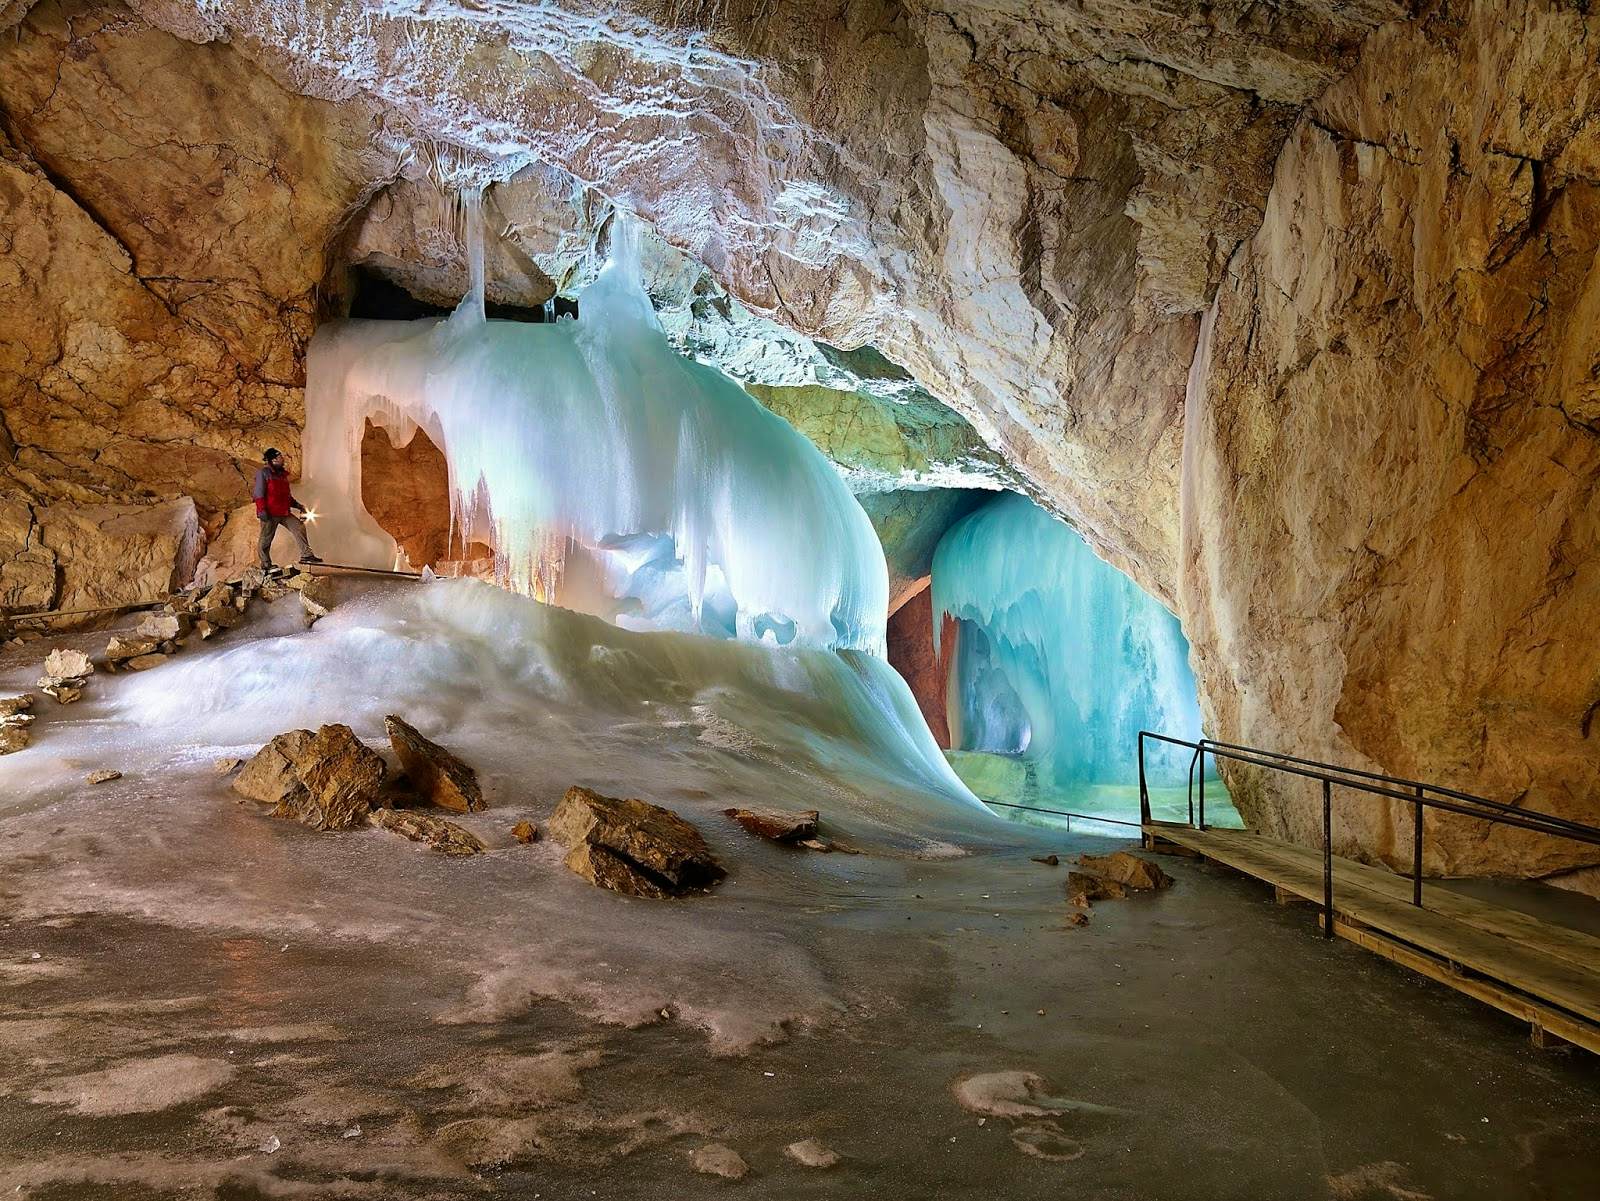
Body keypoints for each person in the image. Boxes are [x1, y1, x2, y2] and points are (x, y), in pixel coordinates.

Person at [253, 448, 322, 570]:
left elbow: (286, 496)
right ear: (273, 459)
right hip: (270, 512)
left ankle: (306, 555)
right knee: (266, 539)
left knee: (298, 526)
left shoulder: (282, 476)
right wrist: (261, 510)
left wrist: (298, 505)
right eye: (280, 457)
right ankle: (266, 564)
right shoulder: (263, 473)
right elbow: (259, 493)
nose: (283, 459)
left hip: (284, 512)